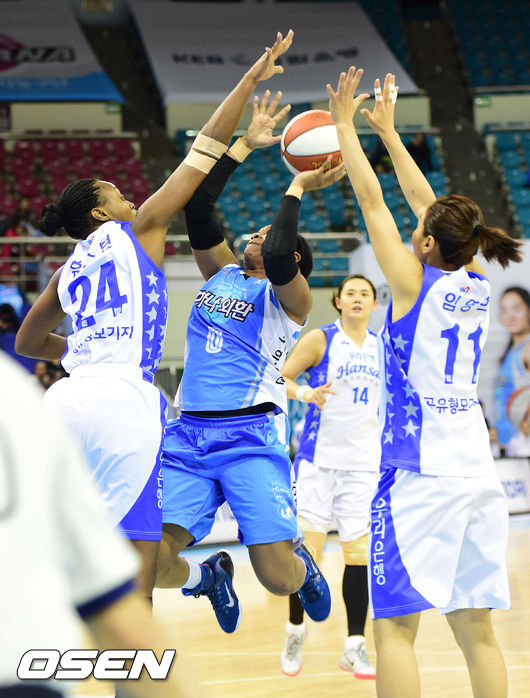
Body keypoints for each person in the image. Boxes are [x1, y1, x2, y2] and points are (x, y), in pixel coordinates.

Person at [15, 30, 295, 604]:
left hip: (65, 401)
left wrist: (81, 351)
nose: (128, 197)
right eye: (116, 193)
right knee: (136, 567)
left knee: (69, 551)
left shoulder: (68, 269)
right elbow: (203, 149)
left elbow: (27, 340)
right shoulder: (139, 228)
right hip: (124, 402)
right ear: (102, 214)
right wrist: (249, 79)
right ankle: (133, 654)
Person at [327, 67, 522, 698]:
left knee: (393, 632)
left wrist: (346, 126)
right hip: (477, 473)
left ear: (429, 243)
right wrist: (389, 132)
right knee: (477, 633)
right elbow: (426, 207)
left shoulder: (413, 284)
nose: (413, 231)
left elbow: (373, 202)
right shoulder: (474, 283)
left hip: (419, 472)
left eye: (422, 232)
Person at [156, 95, 347, 636]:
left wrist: (298, 186)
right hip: (188, 436)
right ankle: (208, 576)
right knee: (145, 563)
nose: (257, 234)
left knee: (278, 581)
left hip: (250, 438)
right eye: (257, 231)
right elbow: (199, 208)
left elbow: (282, 252)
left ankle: (302, 563)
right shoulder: (221, 272)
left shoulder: (291, 302)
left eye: (266, 234)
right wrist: (244, 144)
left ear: (297, 263)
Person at [0, 352, 206, 698]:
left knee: (141, 569)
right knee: (140, 571)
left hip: (22, 671)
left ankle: (204, 576)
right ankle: (204, 576)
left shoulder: (21, 400)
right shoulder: (18, 396)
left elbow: (115, 606)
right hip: (26, 668)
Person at [279, 274, 380, 680]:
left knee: (359, 556)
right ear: (338, 301)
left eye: (364, 294)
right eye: (350, 293)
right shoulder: (322, 339)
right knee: (305, 555)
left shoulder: (382, 347)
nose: (357, 299)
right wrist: (306, 393)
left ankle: (355, 646)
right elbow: (280, 377)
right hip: (318, 462)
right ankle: (295, 631)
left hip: (364, 465)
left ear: (373, 303)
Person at [494, 286, 530, 457]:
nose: (511, 316)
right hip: (508, 449)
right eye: (505, 310)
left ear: (528, 310)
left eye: (517, 309)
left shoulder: (527, 348)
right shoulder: (510, 352)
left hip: (523, 448)